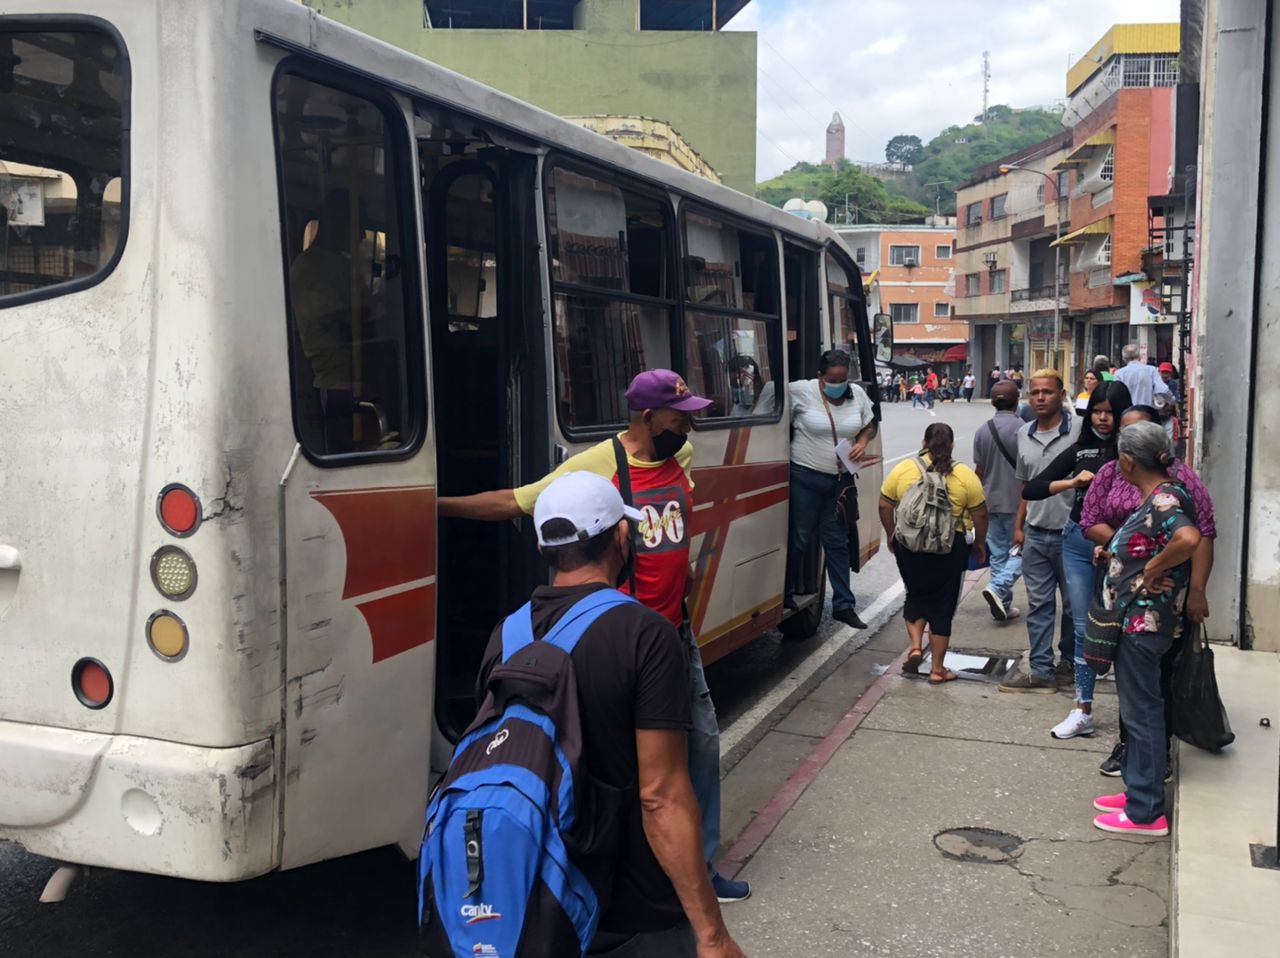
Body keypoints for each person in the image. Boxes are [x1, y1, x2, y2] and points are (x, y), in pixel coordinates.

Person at [437, 369, 750, 903]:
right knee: (626, 765)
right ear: (649, 418)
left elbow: (673, 530)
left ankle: (698, 863)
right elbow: (514, 502)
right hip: (619, 639)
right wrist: (433, 508)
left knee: (700, 746)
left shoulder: (683, 459)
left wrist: (686, 587)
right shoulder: (594, 466)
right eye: (681, 417)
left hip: (673, 632)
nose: (690, 427)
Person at [473, 472, 747, 957]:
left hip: (541, 904)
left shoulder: (505, 636)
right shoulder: (646, 634)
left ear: (544, 548)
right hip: (631, 915)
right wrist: (713, 934)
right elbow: (661, 798)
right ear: (621, 537)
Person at [1080, 404, 1216, 777]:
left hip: (1148, 613)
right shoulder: (1120, 478)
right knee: (1137, 700)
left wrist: (1158, 568)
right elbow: (1091, 520)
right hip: (1128, 604)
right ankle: (1137, 772)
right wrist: (1124, 550)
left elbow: (1195, 536)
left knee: (1149, 700)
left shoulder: (1169, 491)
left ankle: (1146, 794)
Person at [1090, 421, 1201, 837]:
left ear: (1128, 460)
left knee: (1142, 714)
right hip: (1139, 620)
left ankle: (1146, 811)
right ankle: (1139, 787)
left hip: (1144, 623)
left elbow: (1189, 538)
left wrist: (1153, 567)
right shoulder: (1161, 495)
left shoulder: (1166, 499)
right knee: (1136, 712)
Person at [1022, 381, 1133, 739]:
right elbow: (1032, 488)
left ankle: (1131, 717)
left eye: (1110, 412)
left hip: (1126, 548)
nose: (1103, 419)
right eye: (1097, 411)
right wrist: (1070, 484)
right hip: (1077, 542)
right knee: (1084, 627)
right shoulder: (1081, 450)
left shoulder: (1136, 453)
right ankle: (1082, 709)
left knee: (1129, 631)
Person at [879, 423, 988, 684]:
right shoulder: (963, 474)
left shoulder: (905, 468)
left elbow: (885, 503)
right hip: (950, 548)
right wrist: (980, 543)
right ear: (951, 445)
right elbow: (980, 513)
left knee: (915, 594)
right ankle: (937, 670)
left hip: (910, 546)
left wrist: (891, 533)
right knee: (943, 606)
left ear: (923, 442)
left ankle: (916, 646)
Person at [998, 369, 1081, 693]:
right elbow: (1026, 486)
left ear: (1061, 395)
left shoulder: (1079, 431)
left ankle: (1069, 663)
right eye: (1035, 393)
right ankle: (1041, 670)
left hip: (1073, 536)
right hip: (1036, 534)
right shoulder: (1023, 434)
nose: (1041, 398)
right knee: (1040, 605)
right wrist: (1018, 526)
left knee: (1074, 607)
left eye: (1048, 392)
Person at [786, 349, 878, 630]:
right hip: (805, 477)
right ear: (820, 376)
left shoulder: (857, 395)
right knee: (800, 538)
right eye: (833, 379)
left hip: (839, 483)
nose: (839, 384)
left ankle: (843, 606)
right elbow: (769, 413)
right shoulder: (800, 392)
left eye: (844, 378)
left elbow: (869, 425)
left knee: (837, 543)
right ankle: (785, 594)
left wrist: (862, 441)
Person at [973, 381, 1026, 622]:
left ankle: (1002, 603)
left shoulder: (983, 431)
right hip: (1020, 502)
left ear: (993, 402)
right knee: (1024, 552)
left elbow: (979, 472)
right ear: (1018, 400)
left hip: (990, 501)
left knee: (997, 553)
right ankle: (999, 588)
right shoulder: (1025, 429)